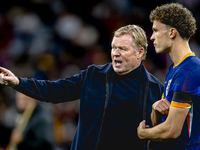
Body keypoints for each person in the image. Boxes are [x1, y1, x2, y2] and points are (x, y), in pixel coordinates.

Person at [0, 25, 163, 150]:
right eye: (114, 47)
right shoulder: (94, 75)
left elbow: (164, 135)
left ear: (140, 52)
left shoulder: (156, 89)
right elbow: (54, 91)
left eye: (123, 49)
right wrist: (18, 82)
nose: (115, 53)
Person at [137, 3, 200, 150]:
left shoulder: (189, 71)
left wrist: (143, 133)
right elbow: (162, 122)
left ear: (172, 32)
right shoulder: (175, 69)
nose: (151, 38)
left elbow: (172, 130)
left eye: (155, 31)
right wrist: (155, 109)